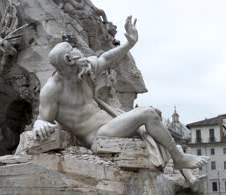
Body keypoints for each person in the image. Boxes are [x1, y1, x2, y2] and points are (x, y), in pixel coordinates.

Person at [32, 16, 209, 178]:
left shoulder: (83, 71)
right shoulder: (53, 89)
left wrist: (129, 44)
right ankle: (179, 158)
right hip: (97, 136)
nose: (77, 48)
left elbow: (106, 59)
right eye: (72, 48)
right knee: (147, 113)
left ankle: (185, 171)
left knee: (154, 122)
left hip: (111, 123)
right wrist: (39, 124)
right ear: (68, 59)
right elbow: (43, 118)